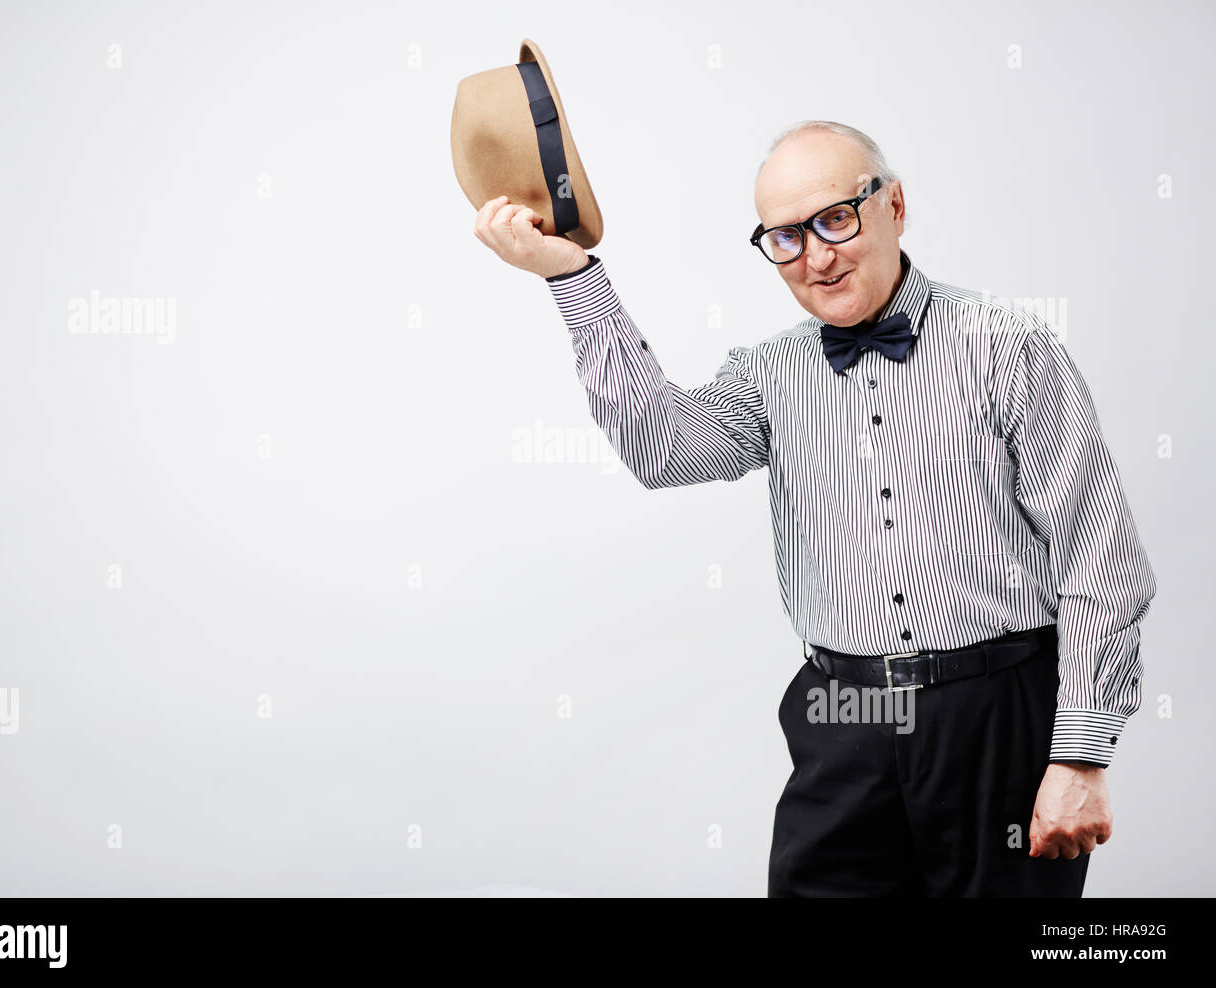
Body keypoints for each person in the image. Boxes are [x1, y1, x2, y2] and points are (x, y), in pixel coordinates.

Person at [471, 120, 1157, 897]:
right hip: (842, 716)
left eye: (836, 218)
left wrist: (1080, 756)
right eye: (786, 238)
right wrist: (573, 279)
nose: (818, 257)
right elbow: (664, 451)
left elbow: (1101, 559)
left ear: (894, 205)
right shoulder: (767, 373)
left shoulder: (1008, 345)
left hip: (999, 716)